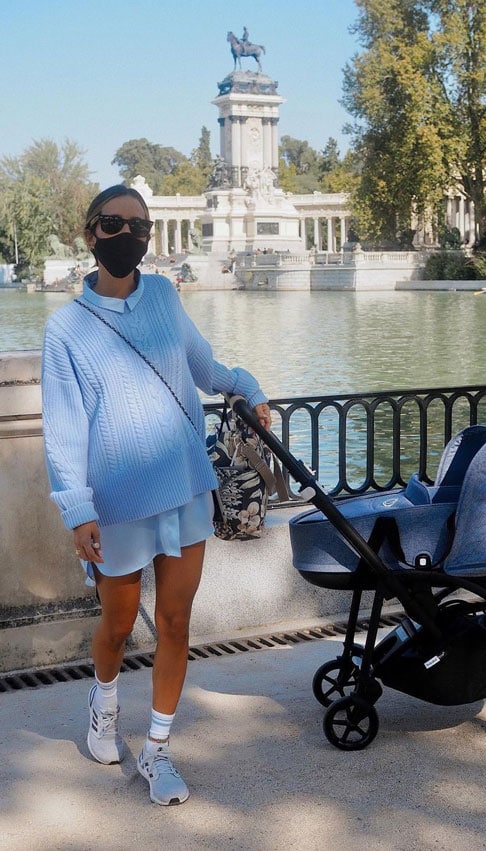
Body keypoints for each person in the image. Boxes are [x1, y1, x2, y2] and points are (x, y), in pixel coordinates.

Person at [41, 184, 271, 807]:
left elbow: (203, 367)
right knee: (117, 626)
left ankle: (159, 750)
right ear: (90, 234)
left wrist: (245, 388)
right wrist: (77, 507)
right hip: (116, 503)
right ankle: (104, 704)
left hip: (186, 489)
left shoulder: (166, 296)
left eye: (140, 226)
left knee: (174, 623)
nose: (130, 236)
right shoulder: (64, 330)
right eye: (114, 224)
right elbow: (64, 429)